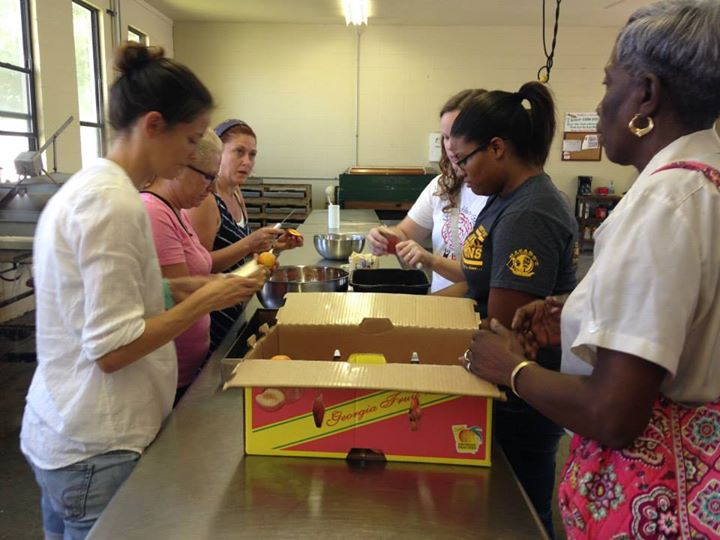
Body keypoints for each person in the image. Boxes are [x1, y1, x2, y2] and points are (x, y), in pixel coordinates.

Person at [463, 1, 720, 538]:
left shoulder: (666, 203)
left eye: (609, 85)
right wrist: (578, 311)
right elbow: (688, 322)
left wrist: (510, 367)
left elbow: (613, 414)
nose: (600, 106)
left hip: (659, 503)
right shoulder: (706, 183)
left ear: (645, 95)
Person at [20, 42, 265, 540]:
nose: (196, 155)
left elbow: (118, 293)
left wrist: (196, 283)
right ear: (153, 125)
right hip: (96, 443)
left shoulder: (97, 189)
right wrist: (205, 299)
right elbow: (112, 349)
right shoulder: (113, 205)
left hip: (68, 433)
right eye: (192, 138)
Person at [447, 82, 579, 538]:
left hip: (519, 400)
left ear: (497, 148)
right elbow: (479, 284)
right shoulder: (506, 199)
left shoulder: (530, 213)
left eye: (464, 159)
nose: (460, 171)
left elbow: (502, 332)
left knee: (517, 516)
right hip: (506, 392)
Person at [188, 119, 302, 350]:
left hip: (236, 306)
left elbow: (242, 258)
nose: (247, 162)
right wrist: (250, 243)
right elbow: (199, 269)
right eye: (238, 152)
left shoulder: (236, 192)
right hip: (212, 319)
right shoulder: (206, 202)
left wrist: (274, 247)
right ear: (217, 153)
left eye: (252, 154)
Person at [366, 89, 489, 292]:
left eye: (457, 136)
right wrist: (385, 238)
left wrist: (431, 261)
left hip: (472, 309)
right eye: (446, 137)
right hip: (441, 304)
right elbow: (405, 232)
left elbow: (484, 276)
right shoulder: (443, 185)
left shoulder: (496, 194)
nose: (450, 146)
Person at [141, 128, 224, 403]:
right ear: (179, 164)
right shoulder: (154, 213)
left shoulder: (176, 210)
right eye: (208, 177)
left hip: (187, 371)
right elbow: (177, 295)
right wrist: (223, 290)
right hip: (169, 377)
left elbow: (199, 268)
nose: (211, 188)